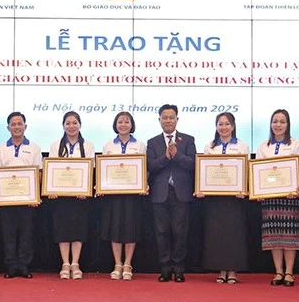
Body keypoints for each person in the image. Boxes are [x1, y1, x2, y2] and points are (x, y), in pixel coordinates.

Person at [196, 112, 249, 284]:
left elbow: (245, 171)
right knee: (217, 234)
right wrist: (201, 188)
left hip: (234, 199)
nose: (224, 127)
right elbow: (204, 172)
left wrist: (243, 188)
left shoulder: (242, 146)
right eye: (220, 124)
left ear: (233, 126)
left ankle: (232, 270)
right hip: (215, 199)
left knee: (233, 234)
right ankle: (221, 269)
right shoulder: (209, 147)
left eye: (227, 124)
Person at [147, 104, 196, 283]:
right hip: (160, 194)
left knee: (180, 232)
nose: (168, 120)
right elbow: (150, 166)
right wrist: (166, 157)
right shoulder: (152, 142)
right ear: (159, 120)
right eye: (164, 118)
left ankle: (179, 269)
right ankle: (165, 269)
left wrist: (177, 155)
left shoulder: (188, 140)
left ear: (177, 119)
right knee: (162, 232)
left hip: (181, 193)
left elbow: (193, 164)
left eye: (171, 117)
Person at [256, 109, 299, 287]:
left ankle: (289, 272)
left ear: (288, 124)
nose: (278, 125)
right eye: (275, 121)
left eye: (282, 122)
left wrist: (298, 188)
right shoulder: (263, 146)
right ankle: (278, 271)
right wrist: (258, 191)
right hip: (270, 198)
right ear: (271, 124)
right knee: (274, 235)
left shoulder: (297, 144)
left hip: (290, 197)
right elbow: (258, 172)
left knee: (290, 235)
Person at [0, 112, 42, 279]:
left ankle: (24, 265)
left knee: (27, 233)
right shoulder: (1, 148)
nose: (17, 127)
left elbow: (39, 173)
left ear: (25, 126)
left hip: (28, 199)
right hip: (6, 199)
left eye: (19, 124)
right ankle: (11, 266)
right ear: (8, 128)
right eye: (13, 124)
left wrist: (36, 195)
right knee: (9, 233)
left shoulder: (34, 148)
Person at [48, 111, 95, 280]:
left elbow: (90, 169)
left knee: (78, 229)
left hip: (80, 197)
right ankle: (65, 263)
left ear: (80, 125)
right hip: (61, 197)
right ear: (63, 126)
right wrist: (51, 189)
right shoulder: (55, 145)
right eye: (68, 123)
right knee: (62, 229)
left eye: (74, 123)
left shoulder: (88, 145)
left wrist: (85, 190)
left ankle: (75, 263)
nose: (71, 126)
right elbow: (51, 170)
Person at [100, 111, 147, 281]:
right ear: (115, 125)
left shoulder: (140, 145)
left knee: (130, 228)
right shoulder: (108, 145)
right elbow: (103, 169)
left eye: (127, 122)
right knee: (115, 227)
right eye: (120, 122)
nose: (123, 125)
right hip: (114, 194)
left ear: (132, 125)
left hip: (133, 194)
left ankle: (128, 264)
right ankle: (117, 264)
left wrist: (144, 183)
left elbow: (144, 168)